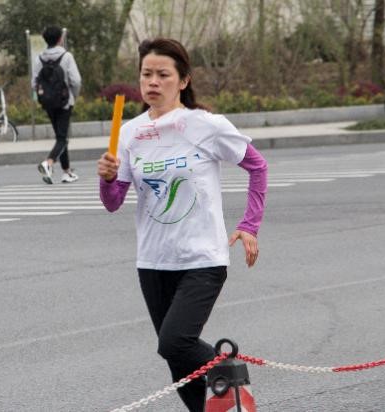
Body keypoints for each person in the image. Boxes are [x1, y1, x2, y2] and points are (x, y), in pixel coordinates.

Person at [97, 38, 268, 412]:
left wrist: (250, 224)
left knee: (175, 342)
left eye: (163, 74)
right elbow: (112, 203)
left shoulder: (205, 125)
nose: (153, 82)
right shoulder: (129, 133)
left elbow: (258, 166)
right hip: (153, 262)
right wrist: (107, 178)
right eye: (146, 74)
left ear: (184, 80)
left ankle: (229, 372)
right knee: (177, 361)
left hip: (202, 258)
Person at [33, 26, 82, 184]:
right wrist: (73, 96)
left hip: (48, 103)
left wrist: (43, 97)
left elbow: (34, 82)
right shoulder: (66, 56)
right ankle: (48, 163)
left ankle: (67, 172)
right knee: (62, 138)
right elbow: (76, 81)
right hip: (64, 102)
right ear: (60, 39)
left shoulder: (39, 59)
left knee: (61, 136)